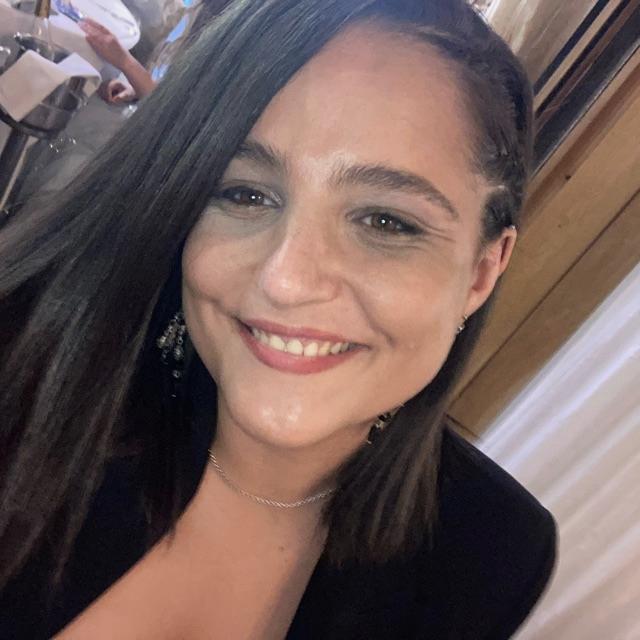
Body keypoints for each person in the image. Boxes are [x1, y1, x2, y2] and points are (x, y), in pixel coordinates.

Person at [0, 1, 557, 638]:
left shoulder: (493, 555)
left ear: (482, 272)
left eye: (386, 222)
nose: (286, 281)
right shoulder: (22, 386)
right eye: (245, 194)